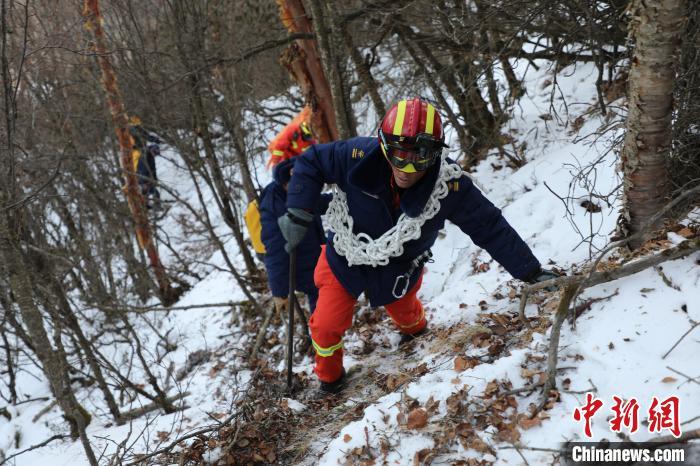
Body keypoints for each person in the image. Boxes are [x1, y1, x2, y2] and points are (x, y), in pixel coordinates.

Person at [277, 98, 558, 394]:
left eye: (419, 158)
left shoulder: (448, 185)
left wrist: (531, 272)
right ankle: (330, 379)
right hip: (345, 256)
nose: (407, 168)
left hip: (400, 266)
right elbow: (312, 162)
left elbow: (488, 226)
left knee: (407, 315)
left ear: (435, 154)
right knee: (325, 324)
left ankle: (415, 330)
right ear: (383, 144)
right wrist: (299, 209)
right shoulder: (357, 155)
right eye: (398, 155)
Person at [259, 157, 330, 317]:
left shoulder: (298, 188)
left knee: (325, 301)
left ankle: (322, 337)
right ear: (284, 183)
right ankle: (321, 339)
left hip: (317, 254)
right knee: (321, 306)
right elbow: (275, 250)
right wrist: (280, 292)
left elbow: (317, 202)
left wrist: (341, 200)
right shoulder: (273, 206)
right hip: (302, 266)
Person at [129, 117, 162, 210]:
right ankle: (146, 203)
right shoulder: (130, 130)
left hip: (142, 153)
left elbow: (146, 136)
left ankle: (149, 204)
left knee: (148, 186)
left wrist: (155, 140)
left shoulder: (138, 129)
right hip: (137, 155)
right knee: (145, 184)